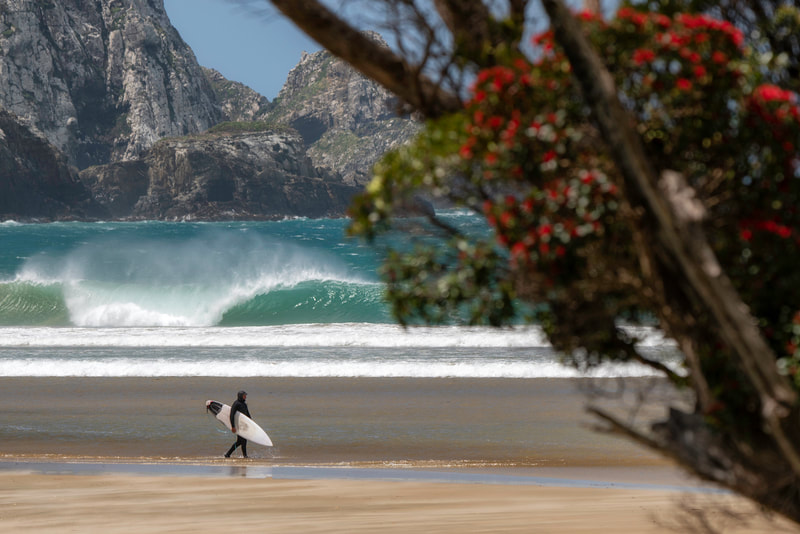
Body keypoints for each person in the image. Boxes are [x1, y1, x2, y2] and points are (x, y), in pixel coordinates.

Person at [224, 390, 250, 458]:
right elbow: (231, 415)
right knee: (243, 440)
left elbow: (247, 414)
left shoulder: (244, 404)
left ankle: (228, 454)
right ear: (241, 396)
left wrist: (251, 423)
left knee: (240, 441)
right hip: (238, 425)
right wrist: (233, 426)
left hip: (243, 425)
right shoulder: (236, 404)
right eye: (244, 395)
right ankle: (245, 456)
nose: (245, 397)